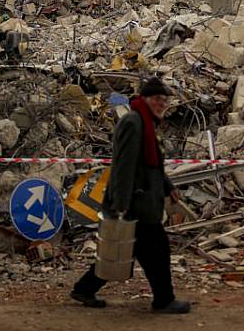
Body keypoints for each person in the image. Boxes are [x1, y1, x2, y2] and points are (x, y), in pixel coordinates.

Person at [71, 77, 192, 314]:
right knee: (156, 251)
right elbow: (124, 166)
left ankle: (84, 289)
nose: (162, 104)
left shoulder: (145, 124)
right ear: (145, 99)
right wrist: (121, 205)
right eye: (157, 99)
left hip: (142, 201)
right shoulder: (133, 123)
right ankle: (164, 300)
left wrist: (168, 186)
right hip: (136, 204)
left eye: (165, 100)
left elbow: (153, 164)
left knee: (123, 250)